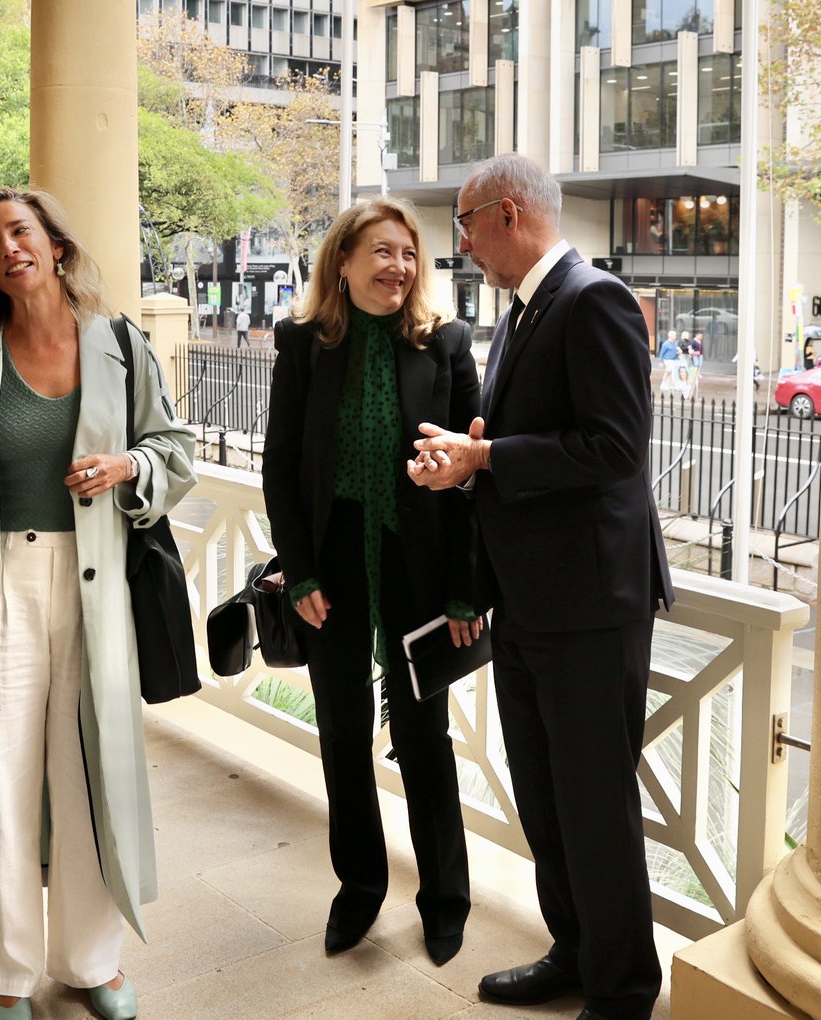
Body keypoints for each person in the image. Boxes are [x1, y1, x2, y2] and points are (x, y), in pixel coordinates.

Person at [0, 187, 196, 1020]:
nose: (8, 249)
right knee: (0, 773)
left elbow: (172, 450)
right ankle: (2, 973)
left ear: (57, 247)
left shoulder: (120, 347)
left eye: (21, 232)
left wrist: (127, 467)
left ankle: (91, 962)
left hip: (93, 584)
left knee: (88, 769)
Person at [412, 153, 674, 1020]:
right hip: (531, 602)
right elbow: (536, 441)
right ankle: (575, 951)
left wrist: (488, 457)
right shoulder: (525, 309)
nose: (461, 241)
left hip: (591, 610)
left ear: (508, 213)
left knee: (594, 806)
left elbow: (614, 450)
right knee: (547, 798)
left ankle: (623, 990)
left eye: (465, 222)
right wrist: (473, 459)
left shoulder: (591, 297)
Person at [262, 196, 483, 964]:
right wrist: (298, 573)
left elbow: (470, 479)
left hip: (419, 566)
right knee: (343, 733)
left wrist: (464, 589)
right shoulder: (304, 345)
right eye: (381, 252)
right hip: (334, 563)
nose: (398, 267)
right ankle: (359, 890)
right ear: (344, 263)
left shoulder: (447, 344)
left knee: (425, 734)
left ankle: (445, 899)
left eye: (408, 254)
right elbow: (281, 468)